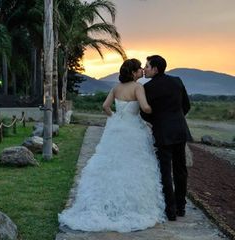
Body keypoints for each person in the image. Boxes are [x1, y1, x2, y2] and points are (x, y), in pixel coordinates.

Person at [58, 59, 166, 232]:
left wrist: (115, 117)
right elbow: (145, 108)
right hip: (133, 131)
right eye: (138, 69)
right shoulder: (138, 88)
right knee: (133, 165)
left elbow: (105, 106)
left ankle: (105, 202)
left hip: (116, 128)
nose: (141, 71)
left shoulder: (116, 88)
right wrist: (158, 111)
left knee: (110, 163)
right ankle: (131, 205)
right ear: (132, 73)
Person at [141, 55, 192, 221]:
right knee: (180, 170)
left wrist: (158, 121)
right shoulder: (177, 81)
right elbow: (186, 105)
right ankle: (181, 207)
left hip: (162, 132)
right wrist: (176, 119)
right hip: (179, 130)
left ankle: (170, 211)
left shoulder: (148, 87)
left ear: (155, 69)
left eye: (147, 66)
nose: (145, 69)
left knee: (165, 171)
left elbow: (144, 112)